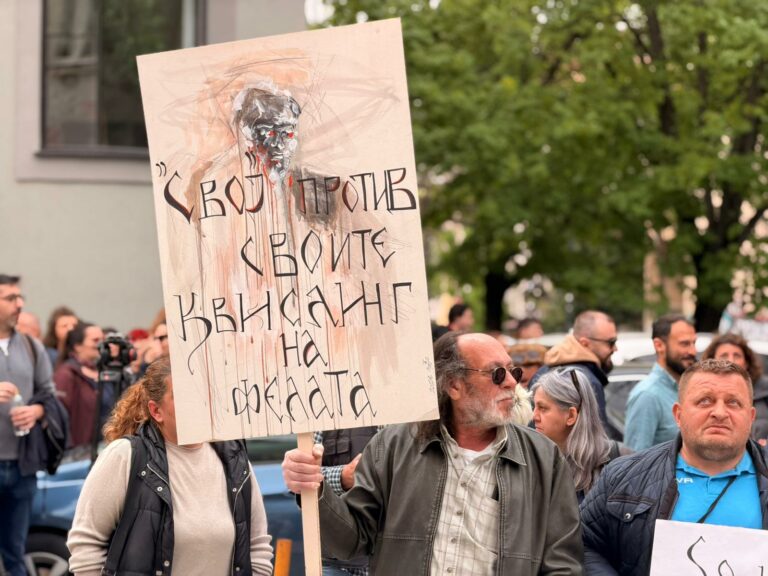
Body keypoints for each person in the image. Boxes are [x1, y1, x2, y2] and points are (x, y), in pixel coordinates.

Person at [282, 332, 583, 575]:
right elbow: (350, 542)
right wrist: (315, 490)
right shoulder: (392, 447)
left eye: (513, 371)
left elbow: (562, 562)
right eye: (497, 373)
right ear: (454, 385)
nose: (512, 382)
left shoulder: (544, 459)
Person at [67, 356, 273, 575]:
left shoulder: (234, 458)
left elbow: (257, 547)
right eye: (185, 396)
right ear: (156, 411)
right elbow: (86, 545)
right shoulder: (125, 456)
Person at [580, 359, 768, 575]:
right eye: (705, 401)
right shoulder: (623, 476)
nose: (719, 412)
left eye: (733, 402)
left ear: (751, 417)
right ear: (678, 414)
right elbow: (585, 544)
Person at [0, 274, 56, 576]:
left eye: (20, 297)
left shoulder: (33, 347)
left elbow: (49, 396)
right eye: (10, 298)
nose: (19, 304)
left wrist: (35, 411)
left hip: (23, 466)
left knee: (15, 553)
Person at [531, 369, 630, 502]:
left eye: (542, 408)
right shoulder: (531, 461)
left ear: (571, 415)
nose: (534, 416)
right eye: (534, 407)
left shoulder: (620, 461)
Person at [529, 310, 619, 438]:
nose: (615, 348)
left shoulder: (542, 372)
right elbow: (596, 442)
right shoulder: (586, 381)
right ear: (585, 343)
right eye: (611, 342)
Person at [624, 314, 697, 450]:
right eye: (685, 344)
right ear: (659, 345)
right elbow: (635, 459)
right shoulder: (647, 395)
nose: (693, 351)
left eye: (694, 343)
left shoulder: (688, 389)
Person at [702, 332, 768, 444]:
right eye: (724, 355)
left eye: (737, 355)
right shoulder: (700, 391)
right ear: (711, 362)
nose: (731, 360)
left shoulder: (764, 389)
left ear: (746, 362)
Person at [54, 322, 107, 449]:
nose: (101, 344)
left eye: (103, 339)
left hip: (104, 447)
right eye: (95, 340)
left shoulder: (105, 372)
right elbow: (58, 416)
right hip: (78, 452)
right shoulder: (66, 374)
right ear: (77, 346)